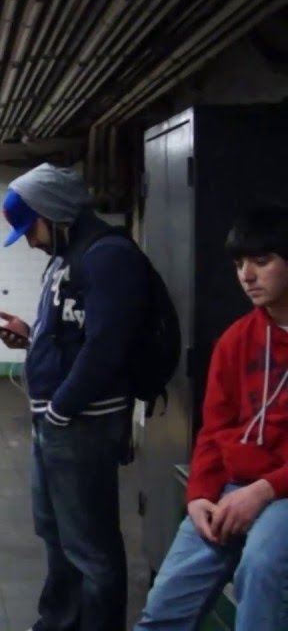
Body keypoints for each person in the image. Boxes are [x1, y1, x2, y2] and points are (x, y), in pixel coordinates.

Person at [0, 163, 151, 631]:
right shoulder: (66, 259)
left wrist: (61, 408)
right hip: (58, 425)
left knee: (91, 548)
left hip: (82, 424)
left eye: (30, 228)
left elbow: (107, 345)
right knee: (56, 534)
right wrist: (32, 336)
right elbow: (75, 333)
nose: (30, 240)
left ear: (55, 213)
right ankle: (59, 623)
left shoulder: (109, 257)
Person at [135, 205, 288, 630]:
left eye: (262, 261)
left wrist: (262, 491)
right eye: (240, 264)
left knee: (260, 568)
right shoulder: (237, 340)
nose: (247, 276)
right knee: (164, 605)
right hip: (233, 488)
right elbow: (215, 428)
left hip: (281, 490)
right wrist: (200, 494)